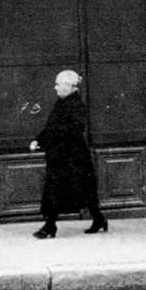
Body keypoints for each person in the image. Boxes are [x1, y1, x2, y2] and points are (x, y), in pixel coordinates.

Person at [29, 69, 107, 239]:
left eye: (58, 84)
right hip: (61, 155)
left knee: (79, 190)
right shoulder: (61, 103)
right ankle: (52, 225)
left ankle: (53, 226)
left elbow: (72, 130)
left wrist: (49, 139)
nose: (55, 88)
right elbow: (51, 127)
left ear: (68, 86)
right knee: (60, 190)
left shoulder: (77, 106)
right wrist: (39, 140)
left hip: (73, 157)